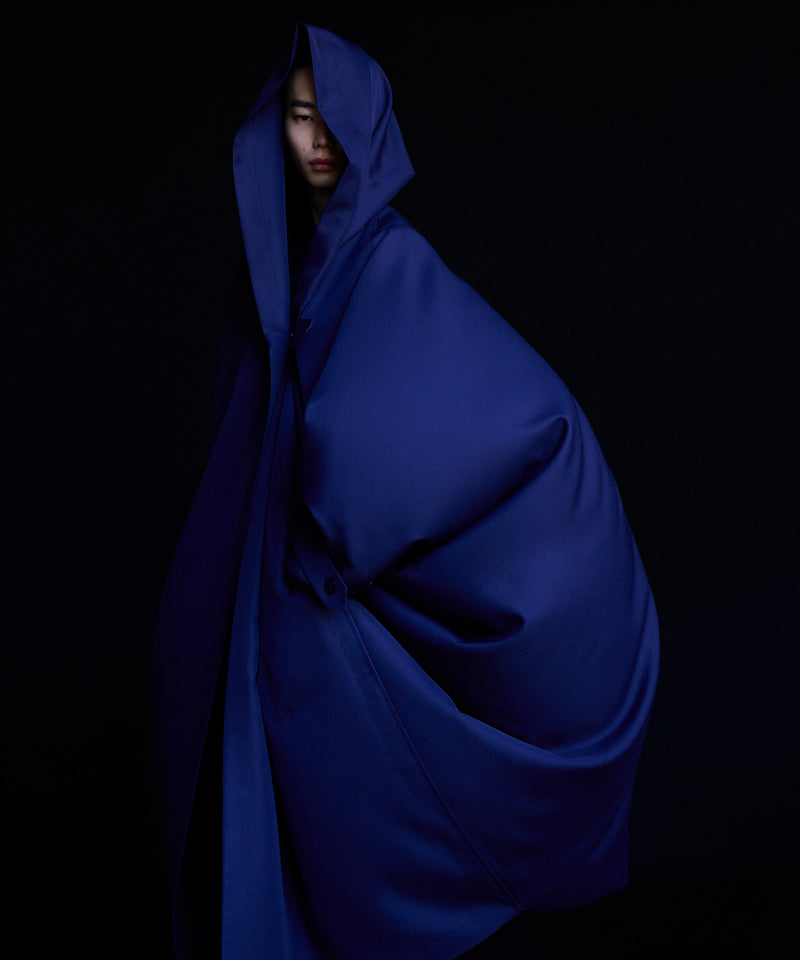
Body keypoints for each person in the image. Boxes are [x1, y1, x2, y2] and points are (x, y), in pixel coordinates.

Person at [152, 22, 659, 960]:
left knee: (318, 700)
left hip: (318, 583)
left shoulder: (389, 259)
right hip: (277, 590)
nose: (316, 141)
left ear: (371, 129)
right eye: (298, 117)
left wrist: (334, 513)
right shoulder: (276, 272)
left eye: (332, 119)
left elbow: (476, 421)